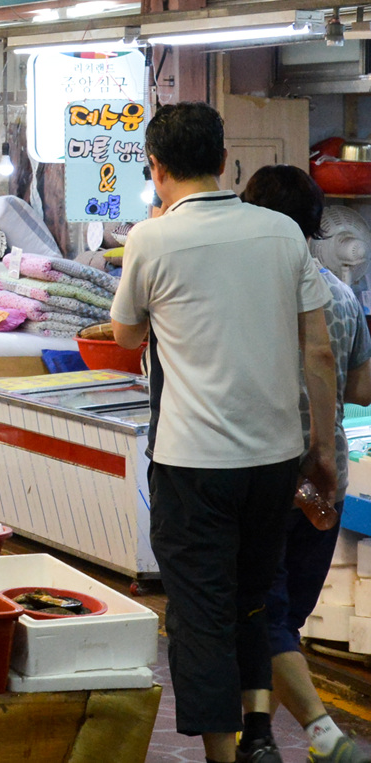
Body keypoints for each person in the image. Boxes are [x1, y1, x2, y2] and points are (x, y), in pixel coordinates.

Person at [111, 104, 339, 763]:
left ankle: (226, 752)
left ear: (155, 168)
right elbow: (318, 353)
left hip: (192, 463)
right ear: (223, 161)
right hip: (274, 460)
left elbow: (126, 334)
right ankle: (261, 733)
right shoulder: (282, 235)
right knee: (251, 599)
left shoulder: (150, 239)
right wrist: (320, 450)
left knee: (200, 610)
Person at [242, 167, 371, 763]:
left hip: (262, 474)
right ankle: (259, 734)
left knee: (260, 613)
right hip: (326, 480)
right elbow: (363, 389)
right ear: (316, 227)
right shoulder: (342, 296)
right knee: (280, 617)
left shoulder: (247, 295)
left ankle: (320, 737)